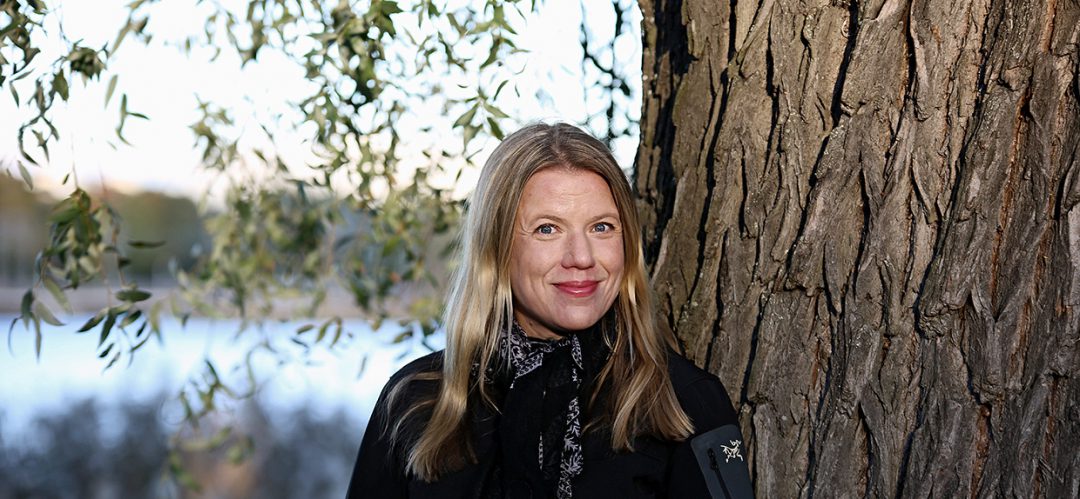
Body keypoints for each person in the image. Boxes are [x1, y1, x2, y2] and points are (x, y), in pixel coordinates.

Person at [346, 123, 752, 498]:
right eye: (547, 229)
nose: (581, 257)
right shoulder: (416, 399)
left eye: (602, 227)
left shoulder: (684, 402)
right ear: (496, 248)